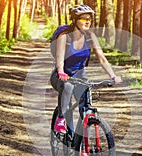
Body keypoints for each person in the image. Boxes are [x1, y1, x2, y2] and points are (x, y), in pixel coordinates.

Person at [50, 4, 122, 135]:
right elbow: (60, 57)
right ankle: (61, 118)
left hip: (79, 76)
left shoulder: (90, 36)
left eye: (89, 18)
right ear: (75, 20)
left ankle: (83, 149)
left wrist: (113, 76)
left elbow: (102, 59)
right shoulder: (64, 36)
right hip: (60, 76)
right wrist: (61, 71)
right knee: (68, 87)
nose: (87, 21)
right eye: (83, 19)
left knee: (86, 109)